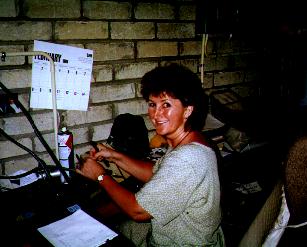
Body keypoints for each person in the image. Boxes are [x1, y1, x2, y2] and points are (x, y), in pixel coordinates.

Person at [76, 63, 225, 246]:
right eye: (153, 104)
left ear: (188, 110)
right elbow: (156, 173)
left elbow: (138, 211)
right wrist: (113, 155)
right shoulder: (189, 139)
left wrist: (99, 175)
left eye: (166, 105)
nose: (156, 114)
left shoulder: (188, 158)